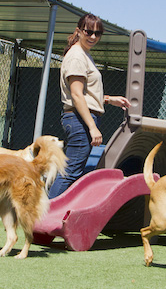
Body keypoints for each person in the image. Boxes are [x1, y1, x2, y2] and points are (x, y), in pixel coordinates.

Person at [48, 14, 131, 199]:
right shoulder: (77, 56)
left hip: (81, 118)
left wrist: (109, 99)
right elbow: (76, 95)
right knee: (70, 173)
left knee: (72, 172)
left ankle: (52, 218)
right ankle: (44, 220)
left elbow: (85, 94)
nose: (93, 37)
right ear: (79, 31)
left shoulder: (84, 54)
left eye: (98, 33)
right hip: (79, 121)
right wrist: (92, 127)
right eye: (89, 31)